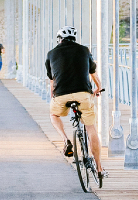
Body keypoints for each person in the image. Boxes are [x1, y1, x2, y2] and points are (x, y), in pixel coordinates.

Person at [45, 26, 106, 180]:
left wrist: (53, 95)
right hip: (83, 94)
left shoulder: (51, 53)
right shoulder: (84, 51)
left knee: (53, 114)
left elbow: (52, 80)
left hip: (61, 95)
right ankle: (99, 168)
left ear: (59, 39)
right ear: (74, 39)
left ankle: (65, 140)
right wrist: (98, 88)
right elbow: (93, 74)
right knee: (90, 126)